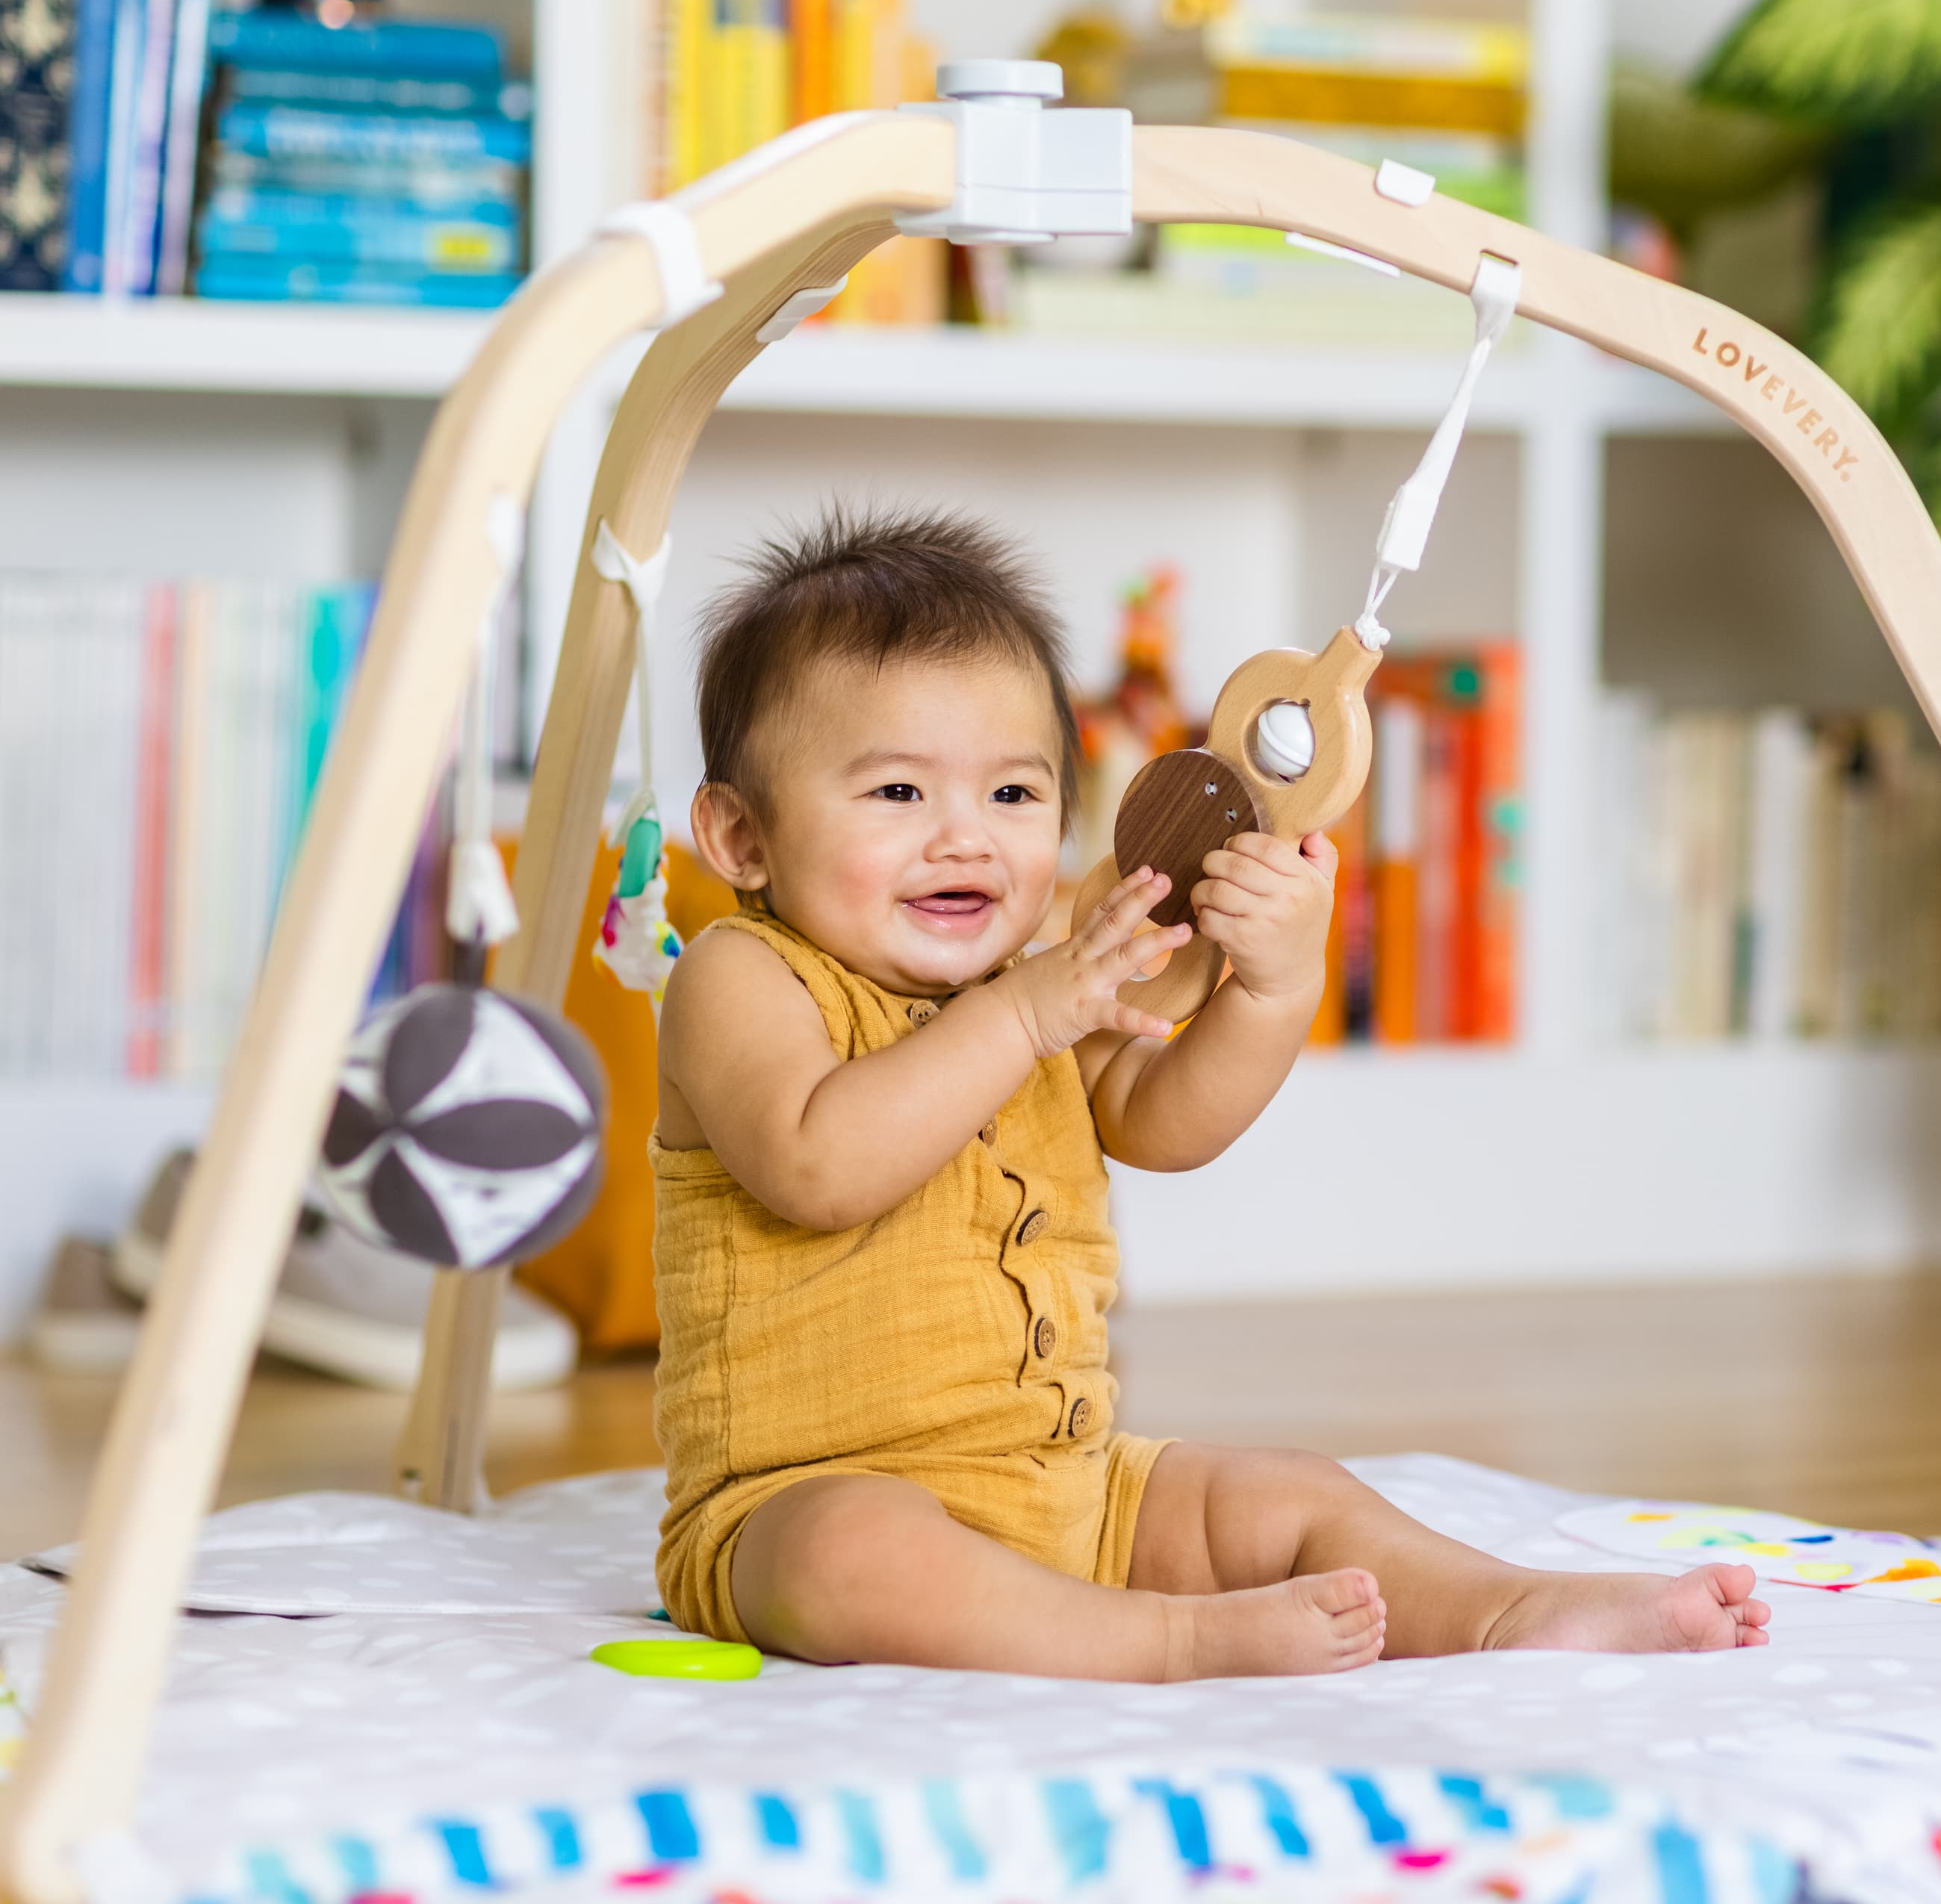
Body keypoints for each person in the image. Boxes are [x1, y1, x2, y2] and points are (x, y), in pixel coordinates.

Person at [650, 505, 1770, 1680]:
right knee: (853, 1555)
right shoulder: (742, 975)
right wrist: (1029, 1014)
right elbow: (817, 1163)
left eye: (1015, 797)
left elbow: (1168, 1120)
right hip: (793, 1503)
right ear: (741, 835)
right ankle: (1167, 1640)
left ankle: (1506, 1610)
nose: (964, 840)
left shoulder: (1039, 987)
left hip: (1072, 1488)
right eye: (896, 794)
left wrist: (1272, 988)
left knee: (1288, 1492)